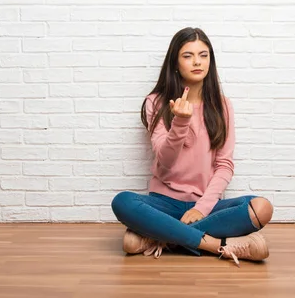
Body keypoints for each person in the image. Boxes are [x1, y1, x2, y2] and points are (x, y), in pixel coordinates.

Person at [111, 27, 274, 267]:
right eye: (188, 55)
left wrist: (201, 208)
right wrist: (181, 122)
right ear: (175, 63)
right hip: (164, 204)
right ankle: (217, 244)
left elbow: (224, 164)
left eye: (203, 55)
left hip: (207, 205)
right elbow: (165, 160)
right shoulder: (155, 102)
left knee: (262, 207)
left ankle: (163, 236)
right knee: (122, 202)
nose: (197, 61)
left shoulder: (222, 105)